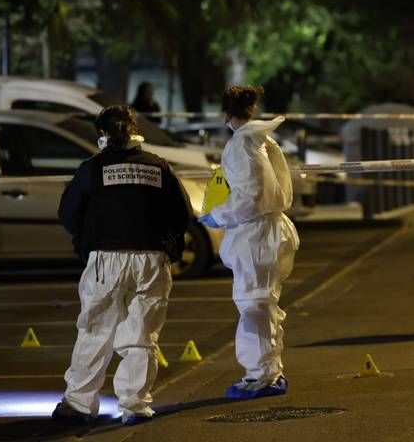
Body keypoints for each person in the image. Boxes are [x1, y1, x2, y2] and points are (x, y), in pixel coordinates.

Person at [53, 105, 192, 426]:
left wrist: (89, 238)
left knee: (95, 331)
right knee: (142, 335)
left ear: (101, 134)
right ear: (134, 130)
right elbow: (182, 215)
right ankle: (135, 405)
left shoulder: (92, 168)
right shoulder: (159, 167)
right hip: (152, 260)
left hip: (107, 259)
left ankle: (79, 404)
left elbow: (68, 213)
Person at [198, 85, 299, 400]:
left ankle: (263, 376)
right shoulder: (265, 141)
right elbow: (280, 189)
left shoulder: (241, 144)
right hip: (271, 230)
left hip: (255, 235)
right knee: (264, 304)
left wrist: (218, 214)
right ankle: (268, 371)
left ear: (227, 114)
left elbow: (249, 196)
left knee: (254, 304)